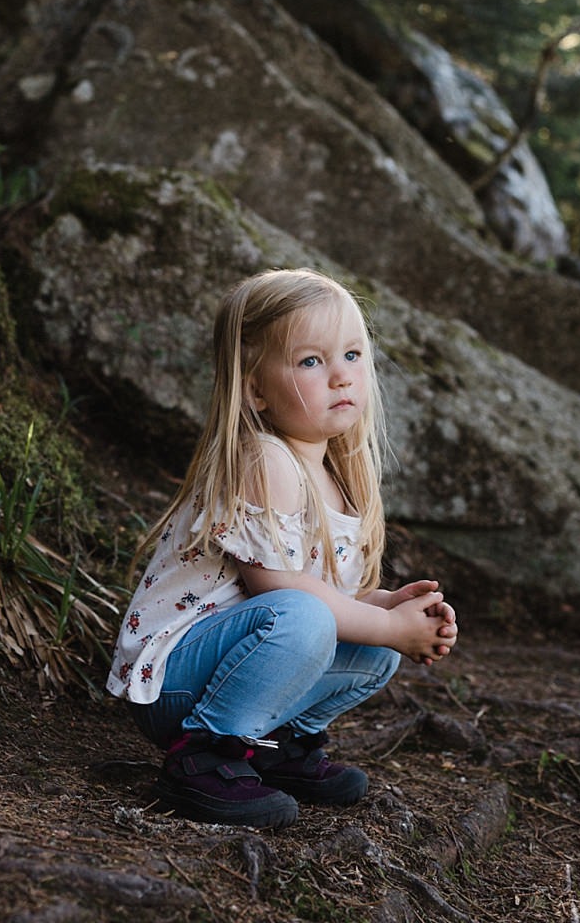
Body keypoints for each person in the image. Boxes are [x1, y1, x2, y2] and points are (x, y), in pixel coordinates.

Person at [107, 268, 458, 827]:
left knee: (376, 646)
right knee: (311, 618)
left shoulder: (335, 473)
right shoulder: (264, 460)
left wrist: (391, 609)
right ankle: (202, 757)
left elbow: (324, 590)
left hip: (238, 659)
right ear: (255, 388)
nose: (341, 377)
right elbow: (279, 592)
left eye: (351, 354)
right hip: (175, 681)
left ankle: (271, 748)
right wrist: (385, 623)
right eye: (311, 362)